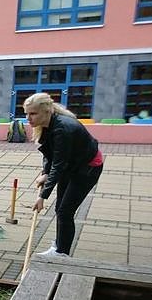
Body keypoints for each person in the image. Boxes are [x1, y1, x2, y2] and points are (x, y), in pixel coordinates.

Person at [26, 92, 104, 257]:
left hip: (87, 168)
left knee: (65, 211)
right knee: (60, 208)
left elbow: (59, 165)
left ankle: (62, 253)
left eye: (33, 113)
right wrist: (45, 173)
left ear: (47, 111)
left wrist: (42, 196)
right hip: (72, 164)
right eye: (27, 113)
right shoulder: (46, 125)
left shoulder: (62, 128)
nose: (28, 118)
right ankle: (59, 246)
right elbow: (50, 155)